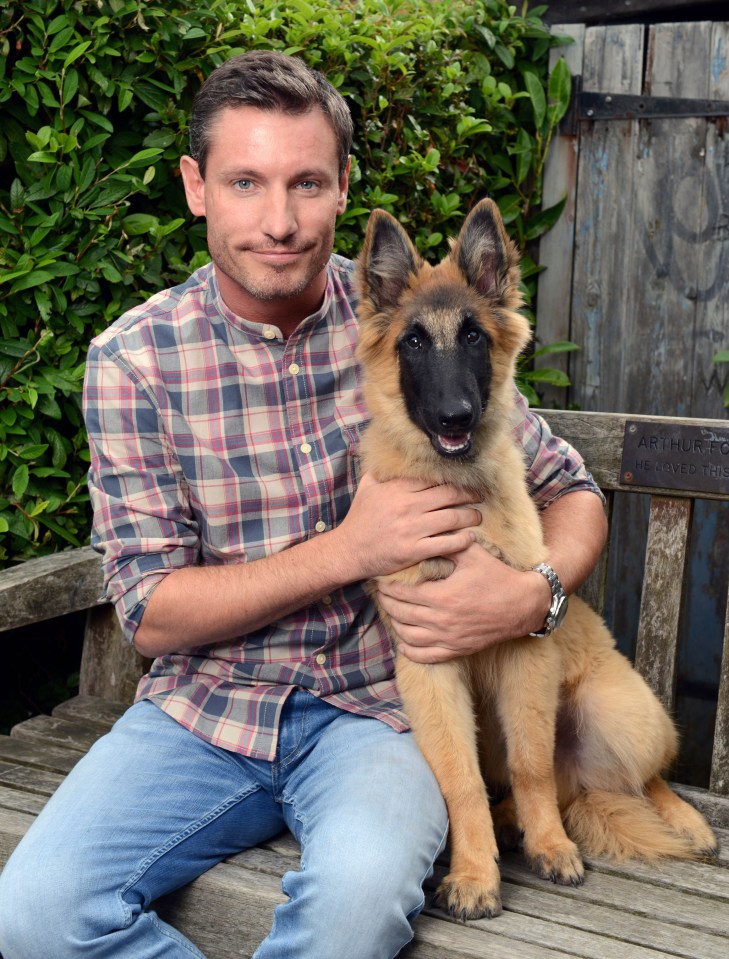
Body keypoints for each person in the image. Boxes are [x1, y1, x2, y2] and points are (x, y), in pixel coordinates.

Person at [0, 51, 607, 959]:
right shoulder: (134, 360)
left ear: (341, 188)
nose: (278, 221)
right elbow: (151, 613)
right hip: (204, 711)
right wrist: (348, 547)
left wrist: (536, 594)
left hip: (379, 717)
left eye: (306, 183)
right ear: (196, 186)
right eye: (246, 182)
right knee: (32, 915)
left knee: (354, 907)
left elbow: (572, 491)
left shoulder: (414, 332)